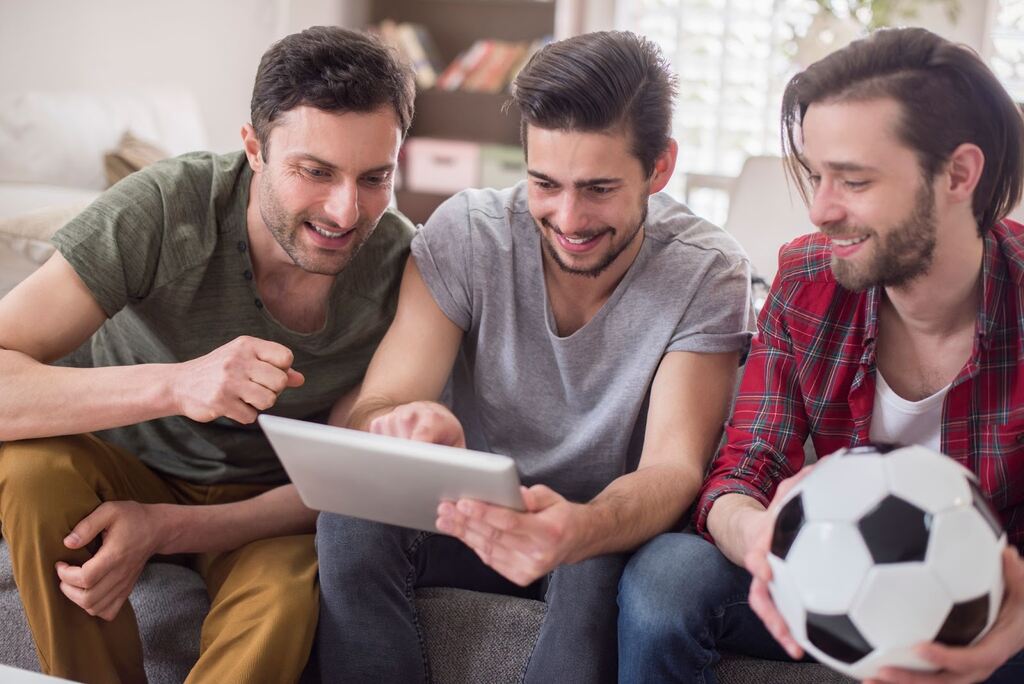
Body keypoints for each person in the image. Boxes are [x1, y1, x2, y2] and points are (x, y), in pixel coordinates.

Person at [313, 30, 753, 683]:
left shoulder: (707, 272)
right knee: (347, 519)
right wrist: (403, 425)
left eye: (599, 189)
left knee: (592, 561)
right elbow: (383, 400)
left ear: (658, 167)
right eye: (545, 183)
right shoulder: (467, 234)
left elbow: (672, 467)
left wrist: (583, 526)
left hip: (599, 522)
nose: (569, 218)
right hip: (470, 515)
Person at [0, 26, 415, 683]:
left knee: (286, 596)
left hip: (263, 507)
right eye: (315, 171)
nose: (346, 210)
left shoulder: (404, 269)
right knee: (30, 471)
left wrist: (165, 529)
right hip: (121, 462)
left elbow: (345, 483)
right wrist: (174, 385)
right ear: (253, 147)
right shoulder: (165, 208)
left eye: (375, 177)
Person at [617, 26, 1024, 684]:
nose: (821, 210)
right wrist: (762, 541)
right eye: (815, 176)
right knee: (666, 579)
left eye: (854, 181)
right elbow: (740, 473)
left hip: (995, 610)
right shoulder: (809, 279)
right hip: (827, 574)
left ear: (958, 174)